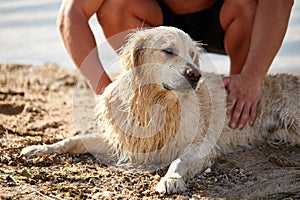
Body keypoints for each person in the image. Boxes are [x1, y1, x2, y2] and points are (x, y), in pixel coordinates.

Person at [57, 0, 294, 130]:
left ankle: (238, 104)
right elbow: (72, 11)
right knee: (115, 6)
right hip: (156, 21)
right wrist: (104, 89)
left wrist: (252, 77)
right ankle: (146, 99)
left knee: (250, 4)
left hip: (230, 16)